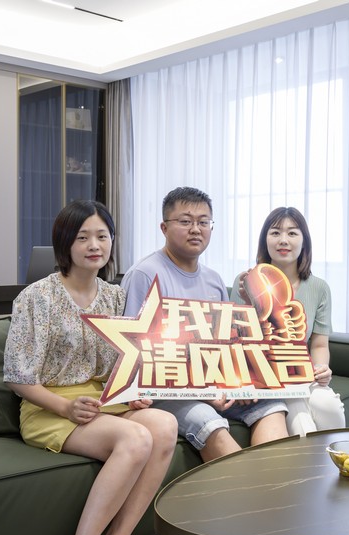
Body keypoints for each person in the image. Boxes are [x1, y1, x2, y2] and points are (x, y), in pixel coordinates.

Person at [4, 200, 178, 535]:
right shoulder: (37, 297)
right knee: (135, 437)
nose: (94, 245)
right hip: (49, 405)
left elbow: (123, 362)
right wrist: (65, 405)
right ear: (64, 243)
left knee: (164, 424)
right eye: (82, 237)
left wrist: (131, 394)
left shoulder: (116, 296)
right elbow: (18, 377)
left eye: (102, 236)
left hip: (103, 400)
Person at [121, 186, 289, 462]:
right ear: (164, 227)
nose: (195, 229)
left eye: (203, 222)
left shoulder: (213, 280)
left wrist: (236, 384)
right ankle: (252, 487)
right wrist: (203, 392)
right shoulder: (145, 274)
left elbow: (225, 346)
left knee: (271, 403)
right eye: (185, 221)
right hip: (165, 391)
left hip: (211, 383)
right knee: (207, 419)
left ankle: (274, 483)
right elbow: (133, 353)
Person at [232, 206, 345, 436]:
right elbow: (234, 340)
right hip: (263, 378)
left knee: (329, 405)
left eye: (292, 233)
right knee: (301, 422)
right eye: (275, 233)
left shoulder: (319, 288)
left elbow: (319, 345)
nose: (283, 240)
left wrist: (321, 369)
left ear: (304, 242)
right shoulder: (245, 282)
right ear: (265, 240)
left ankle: (338, 454)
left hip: (301, 374)